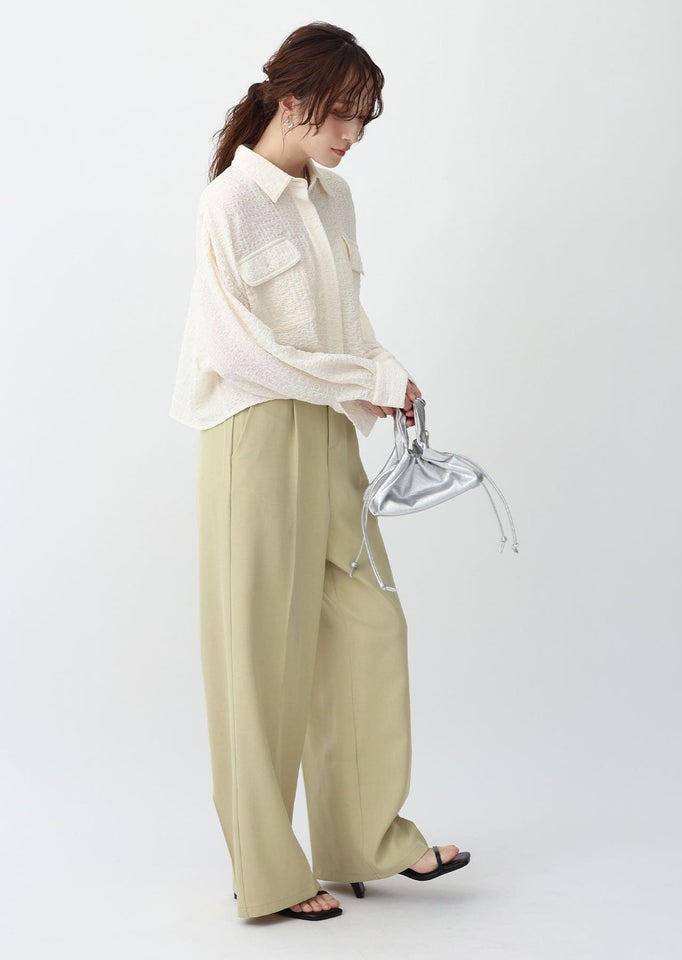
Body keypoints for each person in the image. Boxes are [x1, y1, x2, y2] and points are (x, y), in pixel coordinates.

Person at [169, 22, 470, 922]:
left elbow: (346, 320)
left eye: (364, 120)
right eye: (342, 115)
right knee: (259, 658)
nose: (352, 136)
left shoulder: (335, 198)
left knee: (369, 626)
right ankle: (267, 872)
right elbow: (236, 350)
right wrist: (360, 380)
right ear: (291, 100)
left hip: (330, 436)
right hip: (252, 439)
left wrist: (385, 373)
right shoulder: (229, 203)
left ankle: (363, 840)